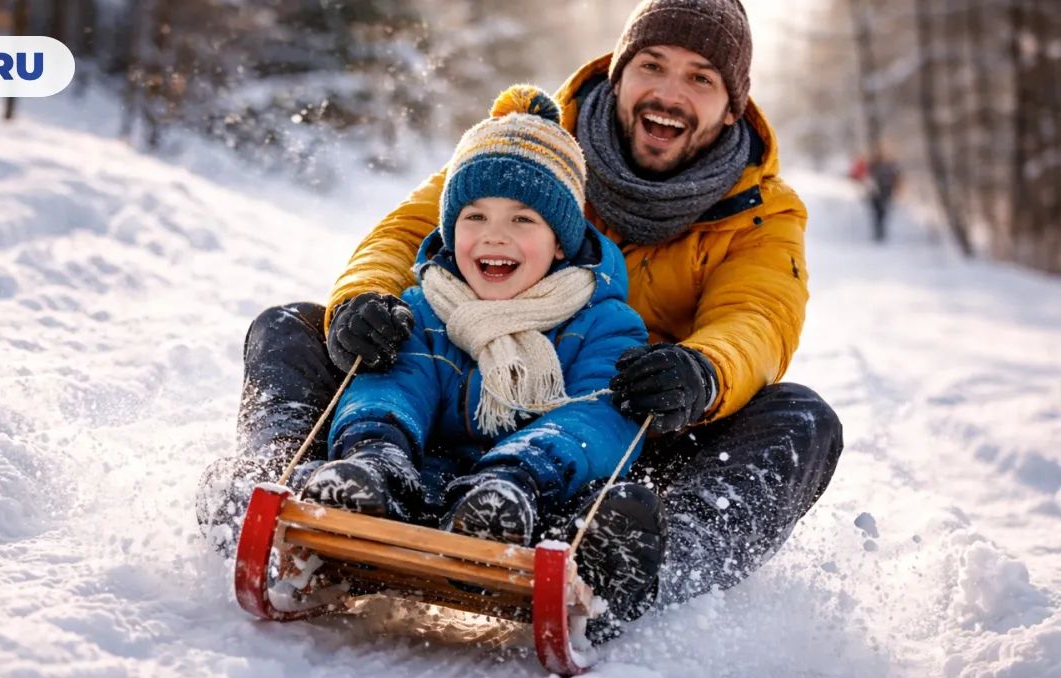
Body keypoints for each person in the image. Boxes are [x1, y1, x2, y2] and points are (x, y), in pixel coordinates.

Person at [199, 0, 844, 642]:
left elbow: (758, 316)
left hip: (623, 421)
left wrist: (702, 373)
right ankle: (276, 488)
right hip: (455, 389)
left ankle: (637, 558)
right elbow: (411, 230)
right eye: (653, 65)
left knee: (803, 420)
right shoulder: (527, 149)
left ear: (733, 105)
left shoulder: (762, 211)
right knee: (291, 325)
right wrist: (364, 303)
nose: (670, 93)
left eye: (701, 78)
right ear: (619, 72)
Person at [299, 85, 652, 559]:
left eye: (523, 220)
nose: (495, 236)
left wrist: (522, 471)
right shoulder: (425, 307)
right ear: (449, 230)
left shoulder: (605, 324)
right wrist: (376, 447)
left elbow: (597, 412)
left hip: (533, 494)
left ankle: (583, 555)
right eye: (475, 216)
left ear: (562, 243)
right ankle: (363, 486)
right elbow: (397, 384)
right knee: (355, 371)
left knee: (607, 491)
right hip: (415, 481)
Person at [850, 142, 902, 242]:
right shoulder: (872, 164)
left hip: (886, 191)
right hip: (875, 192)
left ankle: (881, 231)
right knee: (877, 212)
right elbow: (863, 175)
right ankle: (878, 231)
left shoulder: (891, 164)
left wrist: (897, 188)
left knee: (882, 212)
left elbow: (897, 177)